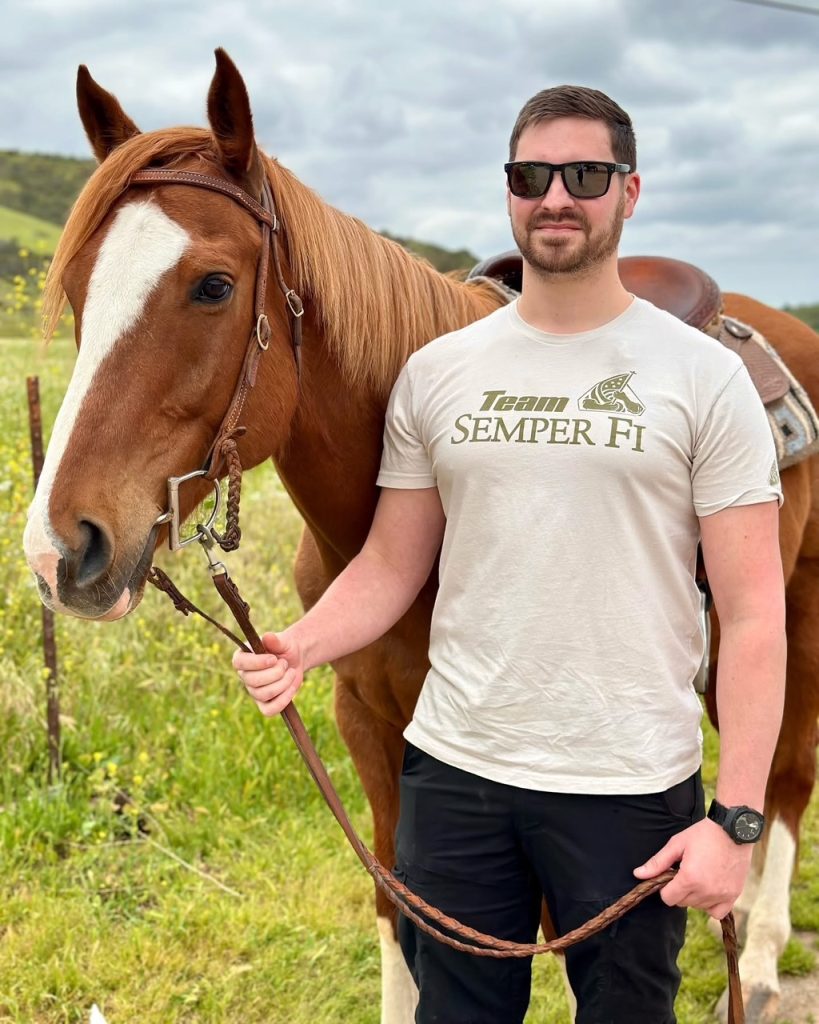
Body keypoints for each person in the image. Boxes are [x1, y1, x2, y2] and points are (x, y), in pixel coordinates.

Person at [232, 86, 786, 1023]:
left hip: (629, 788)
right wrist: (304, 643)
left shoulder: (704, 378)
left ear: (629, 190)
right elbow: (391, 564)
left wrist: (733, 822)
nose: (557, 196)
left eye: (585, 175)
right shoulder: (440, 372)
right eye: (533, 176)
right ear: (508, 192)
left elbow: (752, 610)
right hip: (454, 780)